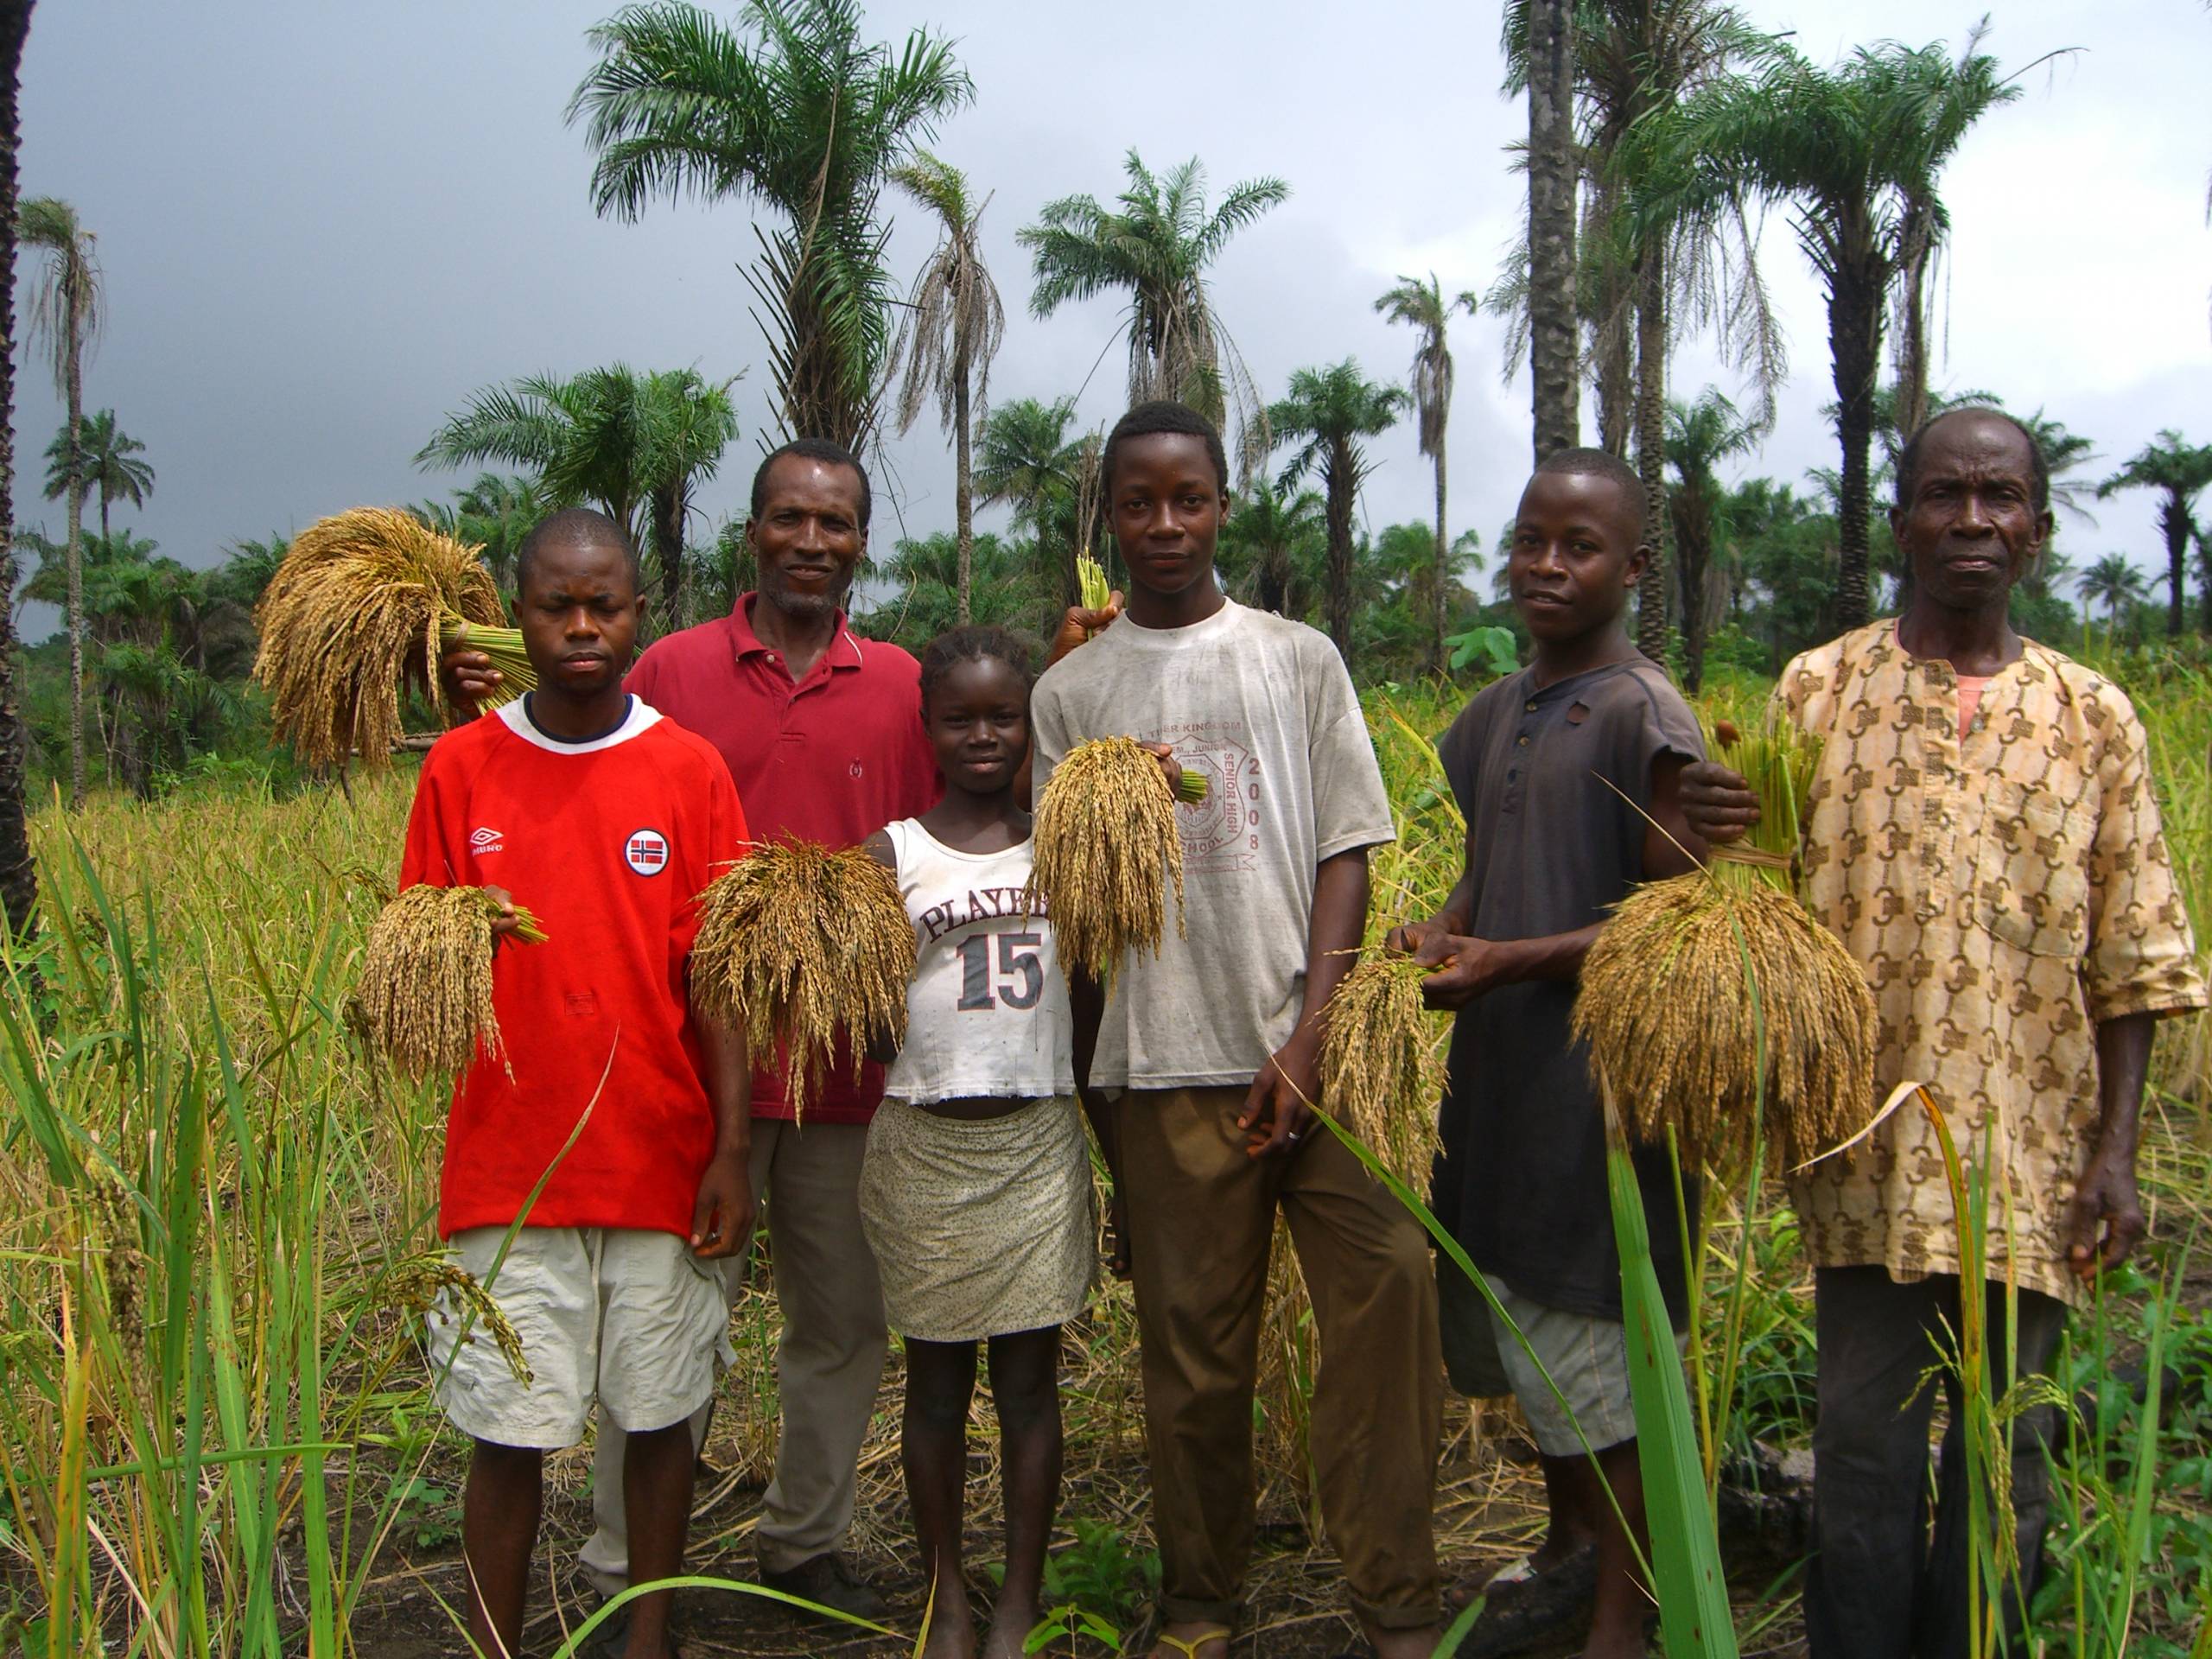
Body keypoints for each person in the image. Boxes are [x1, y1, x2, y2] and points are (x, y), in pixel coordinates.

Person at [1679, 406, 2207, 1659]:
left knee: (2007, 1447)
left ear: (2034, 525)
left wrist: (2118, 1154)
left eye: (2002, 497)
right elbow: (1753, 906)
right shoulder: (1819, 687)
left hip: (2035, 1149)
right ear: (1902, 517)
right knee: (1860, 1447)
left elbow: (2135, 960)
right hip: (1861, 1148)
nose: (1974, 520)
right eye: (1946, 494)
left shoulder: (2094, 716)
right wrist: (1707, 826)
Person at [445, 439, 936, 1618]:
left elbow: (954, 815)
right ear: (752, 533)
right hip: (673, 1077)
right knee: (659, 1342)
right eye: (787, 518)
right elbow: (571, 736)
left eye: (834, 521)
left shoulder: (906, 685)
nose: (810, 539)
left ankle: (802, 1542)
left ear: (861, 541)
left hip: (840, 1067)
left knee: (840, 1320)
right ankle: (627, 1572)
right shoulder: (670, 665)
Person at [1031, 400, 1443, 1659]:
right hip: (1163, 1067)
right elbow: (1078, 913)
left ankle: (1396, 1601)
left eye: (1189, 498)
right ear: (1110, 514)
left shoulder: (1295, 656)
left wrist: (1309, 1042)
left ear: (1224, 503)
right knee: (1193, 1363)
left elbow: (1344, 854)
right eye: (1140, 501)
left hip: (1316, 1062)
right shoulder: (1072, 693)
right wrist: (1103, 1102)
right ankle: (1202, 1601)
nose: (1166, 524)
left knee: (1391, 1296)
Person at [406, 508, 753, 1659]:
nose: (584, 626)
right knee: (507, 1432)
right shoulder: (462, 767)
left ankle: (647, 1635)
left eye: (605, 604)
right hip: (509, 1165)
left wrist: (732, 1152)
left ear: (638, 614)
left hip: (661, 1152)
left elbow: (719, 980)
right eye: (559, 605)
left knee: (660, 1416)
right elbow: (423, 953)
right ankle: (499, 1644)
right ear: (520, 617)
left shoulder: (688, 769)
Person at [1389, 450, 1706, 1659]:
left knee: (1598, 1355)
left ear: (1632, 568)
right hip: (1500, 1092)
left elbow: (1670, 925)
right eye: (1530, 541)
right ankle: (1575, 1554)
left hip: (1598, 1106)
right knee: (1531, 1345)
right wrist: (1448, 928)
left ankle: (1628, 1612)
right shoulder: (1491, 716)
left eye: (1578, 548)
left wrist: (1508, 965)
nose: (1546, 567)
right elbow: (1489, 870)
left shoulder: (1644, 715)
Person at [858, 626, 1104, 1659]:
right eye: (959, 718)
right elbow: (869, 1020)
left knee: (1031, 1386)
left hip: (1039, 1140)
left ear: (1031, 720)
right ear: (927, 727)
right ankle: (948, 1594)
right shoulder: (890, 854)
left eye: (1003, 716)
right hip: (925, 1147)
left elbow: (1090, 998)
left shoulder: (1068, 843)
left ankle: (1020, 1595)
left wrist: (1108, 1146)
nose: (983, 736)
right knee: (937, 1384)